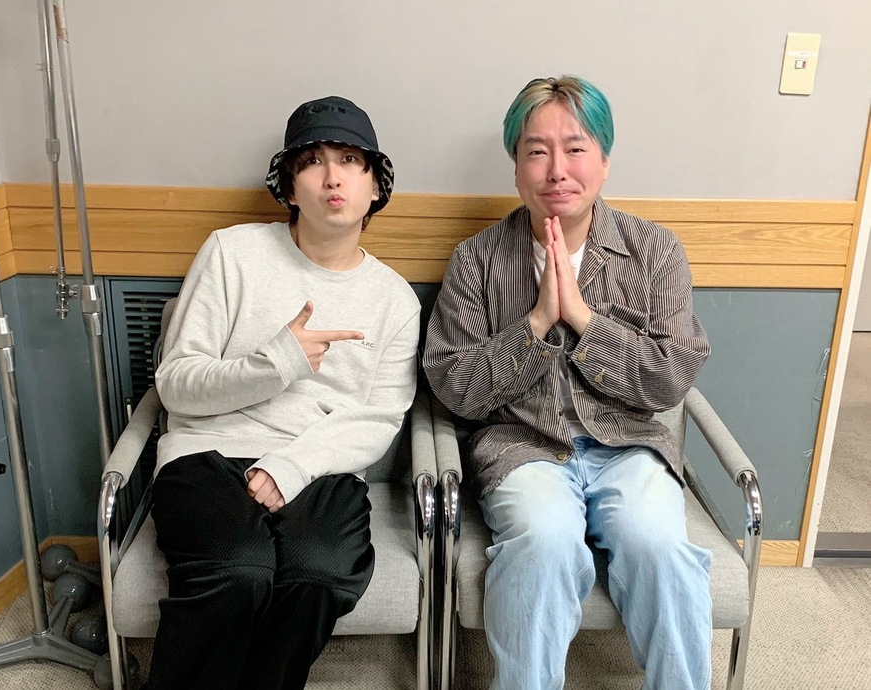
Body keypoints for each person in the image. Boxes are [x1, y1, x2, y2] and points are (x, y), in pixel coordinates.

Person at [423, 75, 713, 690]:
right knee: (544, 542)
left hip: (629, 444)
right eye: (537, 151)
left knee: (658, 545)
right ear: (516, 168)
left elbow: (668, 379)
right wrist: (535, 323)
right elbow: (455, 386)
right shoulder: (477, 260)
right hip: (520, 447)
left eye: (576, 148)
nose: (557, 169)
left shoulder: (655, 252)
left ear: (604, 161)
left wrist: (581, 318)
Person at [146, 96, 421, 690]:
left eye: (350, 160)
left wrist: (291, 466)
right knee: (238, 571)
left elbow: (379, 419)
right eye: (313, 161)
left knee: (321, 573)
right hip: (207, 452)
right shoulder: (231, 253)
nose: (332, 177)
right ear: (290, 187)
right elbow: (175, 384)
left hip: (319, 462)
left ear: (375, 185)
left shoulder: (395, 300)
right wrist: (277, 363)